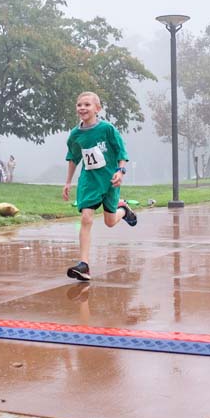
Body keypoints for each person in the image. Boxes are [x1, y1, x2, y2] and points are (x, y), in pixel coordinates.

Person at [61, 91, 136, 281]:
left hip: (110, 180)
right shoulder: (75, 134)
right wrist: (68, 182)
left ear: (97, 108)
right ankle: (84, 265)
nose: (82, 108)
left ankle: (123, 210)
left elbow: (121, 151)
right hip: (89, 181)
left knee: (110, 222)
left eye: (87, 104)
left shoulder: (107, 129)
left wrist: (120, 171)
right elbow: (73, 158)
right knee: (86, 218)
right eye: (79, 105)